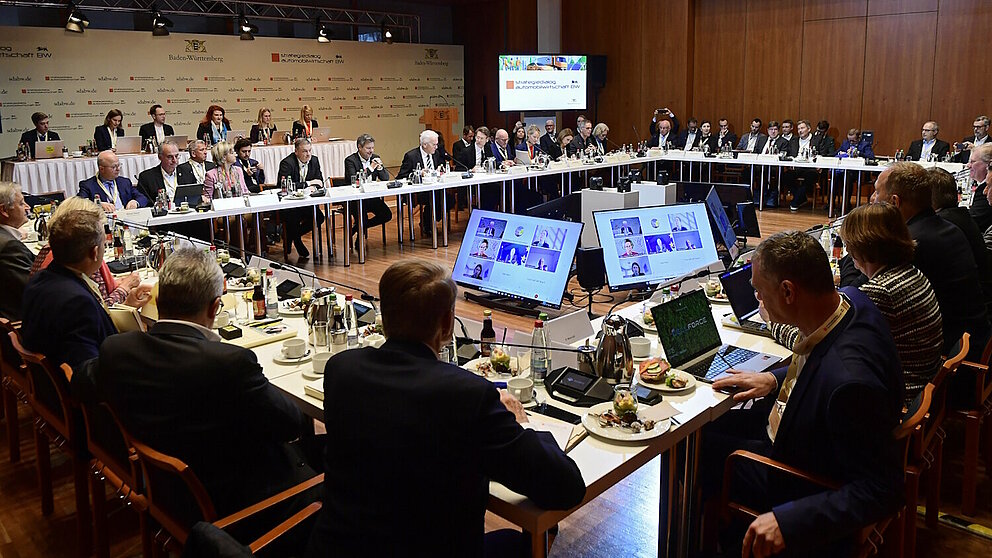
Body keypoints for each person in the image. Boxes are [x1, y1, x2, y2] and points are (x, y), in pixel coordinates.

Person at [304, 260, 585, 557]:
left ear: (383, 317)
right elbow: (566, 487)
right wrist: (520, 422)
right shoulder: (468, 395)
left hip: (338, 549)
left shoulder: (341, 370)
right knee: (522, 541)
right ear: (448, 324)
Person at [84, 248, 319, 549]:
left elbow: (80, 381)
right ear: (214, 307)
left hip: (167, 494)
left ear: (158, 298)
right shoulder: (230, 364)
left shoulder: (116, 351)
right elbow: (292, 425)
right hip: (239, 506)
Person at [703, 231, 904, 558]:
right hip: (804, 433)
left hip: (798, 476)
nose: (758, 301)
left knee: (699, 447)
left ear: (787, 291)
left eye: (759, 292)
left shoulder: (849, 385)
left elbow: (884, 491)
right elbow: (818, 360)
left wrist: (789, 521)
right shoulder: (852, 300)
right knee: (711, 425)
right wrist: (772, 378)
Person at [770, 203, 942, 405]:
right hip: (920, 384)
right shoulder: (911, 273)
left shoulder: (879, 292)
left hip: (897, 399)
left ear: (858, 246)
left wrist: (773, 320)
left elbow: (815, 344)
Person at [841, 162, 991, 358]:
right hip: (970, 339)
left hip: (951, 360)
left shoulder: (910, 243)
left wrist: (853, 254)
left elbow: (850, 297)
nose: (871, 200)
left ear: (894, 202)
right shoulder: (946, 228)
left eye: (877, 193)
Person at [20, 198, 150, 369]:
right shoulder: (77, 303)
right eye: (104, 244)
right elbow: (88, 373)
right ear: (94, 252)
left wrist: (127, 305)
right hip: (87, 389)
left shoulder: (42, 278)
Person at [30, 197, 144, 309]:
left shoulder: (48, 256)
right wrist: (124, 288)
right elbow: (104, 309)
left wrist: (115, 283)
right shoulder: (81, 261)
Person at [930, 166, 992, 312]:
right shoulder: (959, 217)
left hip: (974, 310)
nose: (983, 192)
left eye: (988, 186)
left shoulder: (942, 225)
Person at [276, 138, 326, 261]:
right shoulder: (287, 163)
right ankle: (297, 241)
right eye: (304, 151)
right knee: (293, 218)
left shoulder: (314, 160)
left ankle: (291, 236)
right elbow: (284, 185)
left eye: (310, 150)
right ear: (296, 151)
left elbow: (319, 181)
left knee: (319, 217)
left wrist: (314, 185)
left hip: (307, 201)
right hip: (290, 204)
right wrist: (308, 183)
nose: (308, 154)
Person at [342, 134, 392, 247]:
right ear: (359, 147)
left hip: (371, 197)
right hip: (355, 198)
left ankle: (357, 228)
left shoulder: (375, 158)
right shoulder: (350, 160)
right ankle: (359, 238)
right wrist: (370, 168)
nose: (371, 151)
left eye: (372, 148)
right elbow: (354, 180)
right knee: (361, 217)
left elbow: (385, 178)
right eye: (368, 148)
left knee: (386, 215)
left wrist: (380, 168)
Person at [398, 130, 447, 235]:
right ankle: (427, 224)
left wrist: (440, 170)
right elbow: (401, 176)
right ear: (425, 145)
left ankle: (428, 221)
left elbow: (440, 168)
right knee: (435, 199)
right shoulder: (411, 156)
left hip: (435, 188)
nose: (436, 147)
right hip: (419, 191)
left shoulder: (436, 154)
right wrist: (419, 173)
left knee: (448, 200)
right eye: (434, 144)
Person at [0, 183, 32, 320]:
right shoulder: (9, 247)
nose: (27, 207)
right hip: (19, 322)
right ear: (4, 210)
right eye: (21, 203)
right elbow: (33, 289)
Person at [77, 151, 148, 211]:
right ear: (101, 169)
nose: (118, 169)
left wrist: (135, 202)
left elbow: (143, 198)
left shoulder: (124, 182)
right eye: (114, 167)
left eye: (119, 165)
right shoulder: (88, 185)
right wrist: (97, 205)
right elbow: (79, 203)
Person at [785, 120, 819, 211]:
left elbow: (822, 154)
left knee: (810, 177)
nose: (800, 130)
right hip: (797, 167)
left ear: (809, 129)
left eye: (802, 128)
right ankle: (801, 197)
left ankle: (796, 201)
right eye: (799, 128)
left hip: (811, 168)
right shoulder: (794, 140)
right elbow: (788, 154)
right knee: (786, 176)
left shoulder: (817, 140)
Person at [967, 144, 992, 232]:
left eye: (972, 162)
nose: (968, 165)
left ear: (988, 164)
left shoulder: (986, 189)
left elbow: (972, 222)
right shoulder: (982, 186)